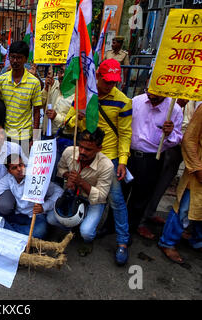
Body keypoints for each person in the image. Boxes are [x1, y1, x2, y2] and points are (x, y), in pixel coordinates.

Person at [65, 59, 132, 265]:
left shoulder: (123, 101)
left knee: (117, 199)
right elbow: (67, 123)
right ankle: (82, 226)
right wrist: (77, 116)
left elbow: (125, 133)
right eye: (106, 81)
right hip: (84, 152)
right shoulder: (84, 97)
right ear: (97, 77)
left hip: (108, 156)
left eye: (114, 81)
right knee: (76, 188)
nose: (110, 85)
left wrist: (122, 160)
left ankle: (122, 242)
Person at [46, 128, 116, 260]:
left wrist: (81, 182)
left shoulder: (107, 166)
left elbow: (101, 196)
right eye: (81, 147)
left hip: (93, 200)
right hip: (72, 195)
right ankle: (72, 227)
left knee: (87, 232)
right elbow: (61, 169)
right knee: (51, 219)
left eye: (88, 149)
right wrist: (68, 177)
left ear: (99, 148)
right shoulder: (69, 151)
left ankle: (87, 240)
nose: (82, 152)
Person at [126, 90, 183, 239]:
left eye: (156, 98)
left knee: (140, 197)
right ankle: (111, 225)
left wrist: (170, 133)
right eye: (149, 94)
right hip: (129, 155)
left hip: (152, 159)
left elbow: (178, 137)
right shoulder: (137, 101)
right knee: (121, 193)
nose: (152, 99)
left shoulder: (174, 109)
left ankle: (129, 230)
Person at [0, 153, 62, 239]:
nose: (19, 169)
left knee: (40, 231)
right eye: (14, 167)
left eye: (21, 165)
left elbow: (59, 191)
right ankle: (17, 233)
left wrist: (44, 207)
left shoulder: (36, 176)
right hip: (18, 214)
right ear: (9, 171)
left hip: (35, 216)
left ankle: (8, 232)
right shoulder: (7, 179)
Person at [158, 106, 202, 264]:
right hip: (198, 174)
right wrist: (197, 169)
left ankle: (197, 240)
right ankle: (168, 242)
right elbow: (189, 139)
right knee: (184, 208)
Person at [0, 41, 42, 146]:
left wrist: (35, 139)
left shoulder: (34, 82)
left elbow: (36, 111)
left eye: (19, 58)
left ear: (25, 59)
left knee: (23, 163)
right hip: (5, 135)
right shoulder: (1, 80)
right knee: (6, 162)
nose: (15, 61)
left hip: (25, 137)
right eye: (12, 57)